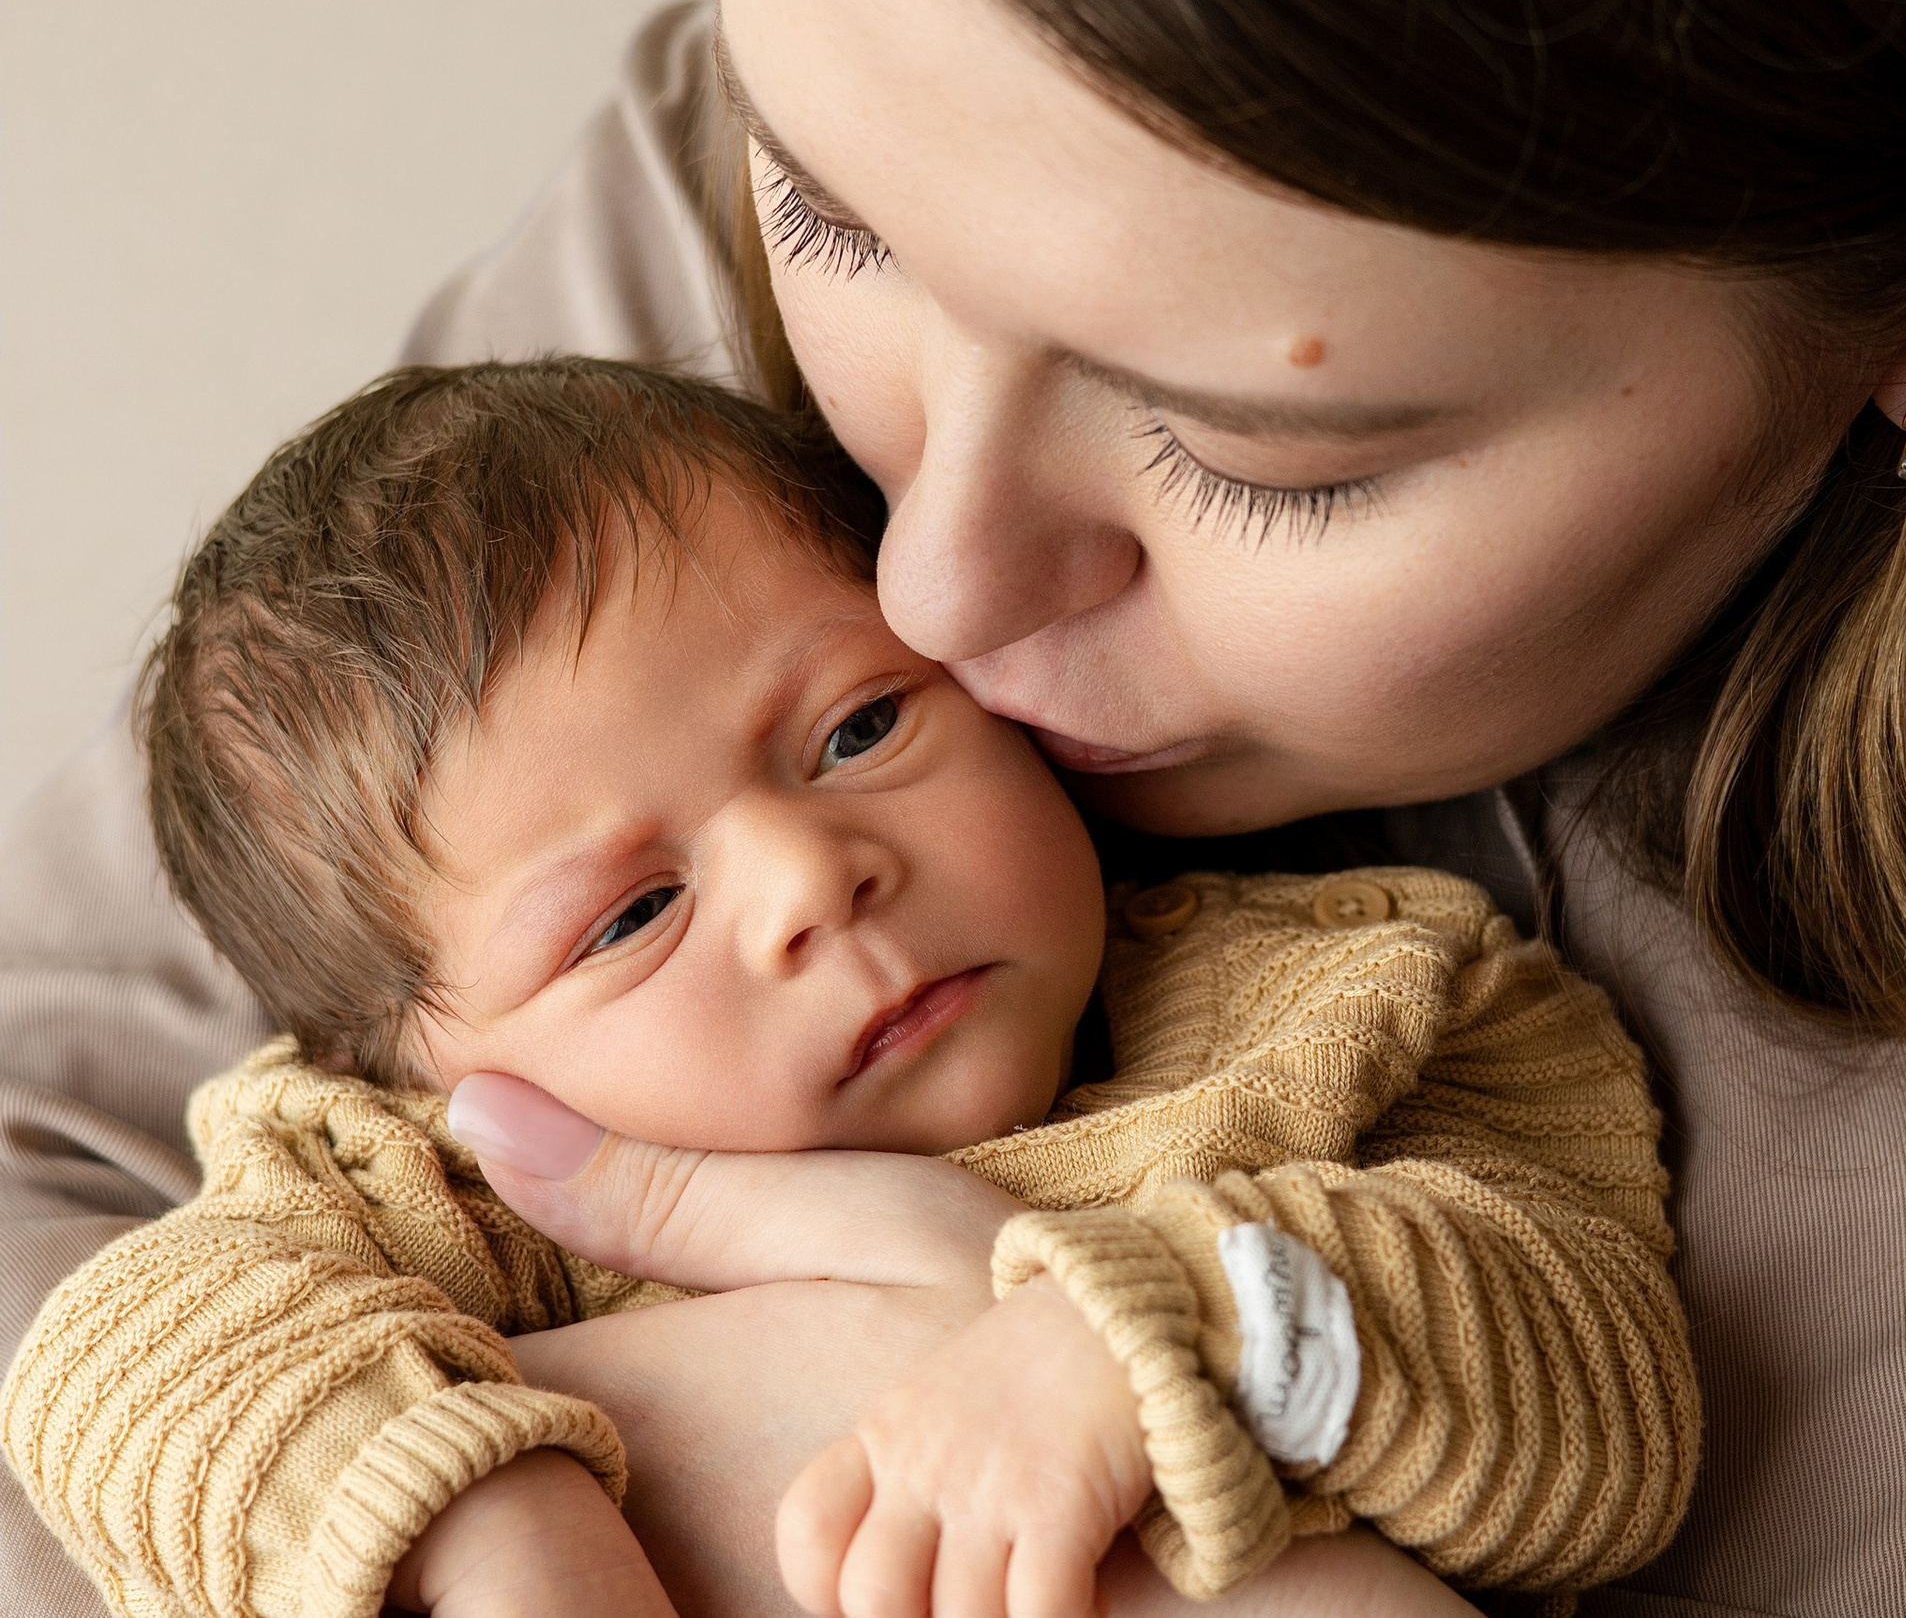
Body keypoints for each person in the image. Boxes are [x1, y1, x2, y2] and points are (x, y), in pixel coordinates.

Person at [0, 0, 1906, 1613]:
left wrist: (1074, 1381)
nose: (928, 595)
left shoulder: (1367, 1014)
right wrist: (576, 1472)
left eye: (1265, 459)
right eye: (827, 217)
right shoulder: (867, 168)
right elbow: (66, 1192)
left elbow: (1542, 1370)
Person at [2, 360, 1691, 1618]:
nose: (814, 880)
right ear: (420, 1064)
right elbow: (109, 1362)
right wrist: (485, 1518)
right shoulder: (451, 1191)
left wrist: (1165, 1331)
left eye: (861, 729)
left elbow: (1611, 1412)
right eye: (633, 914)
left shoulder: (1363, 1009)